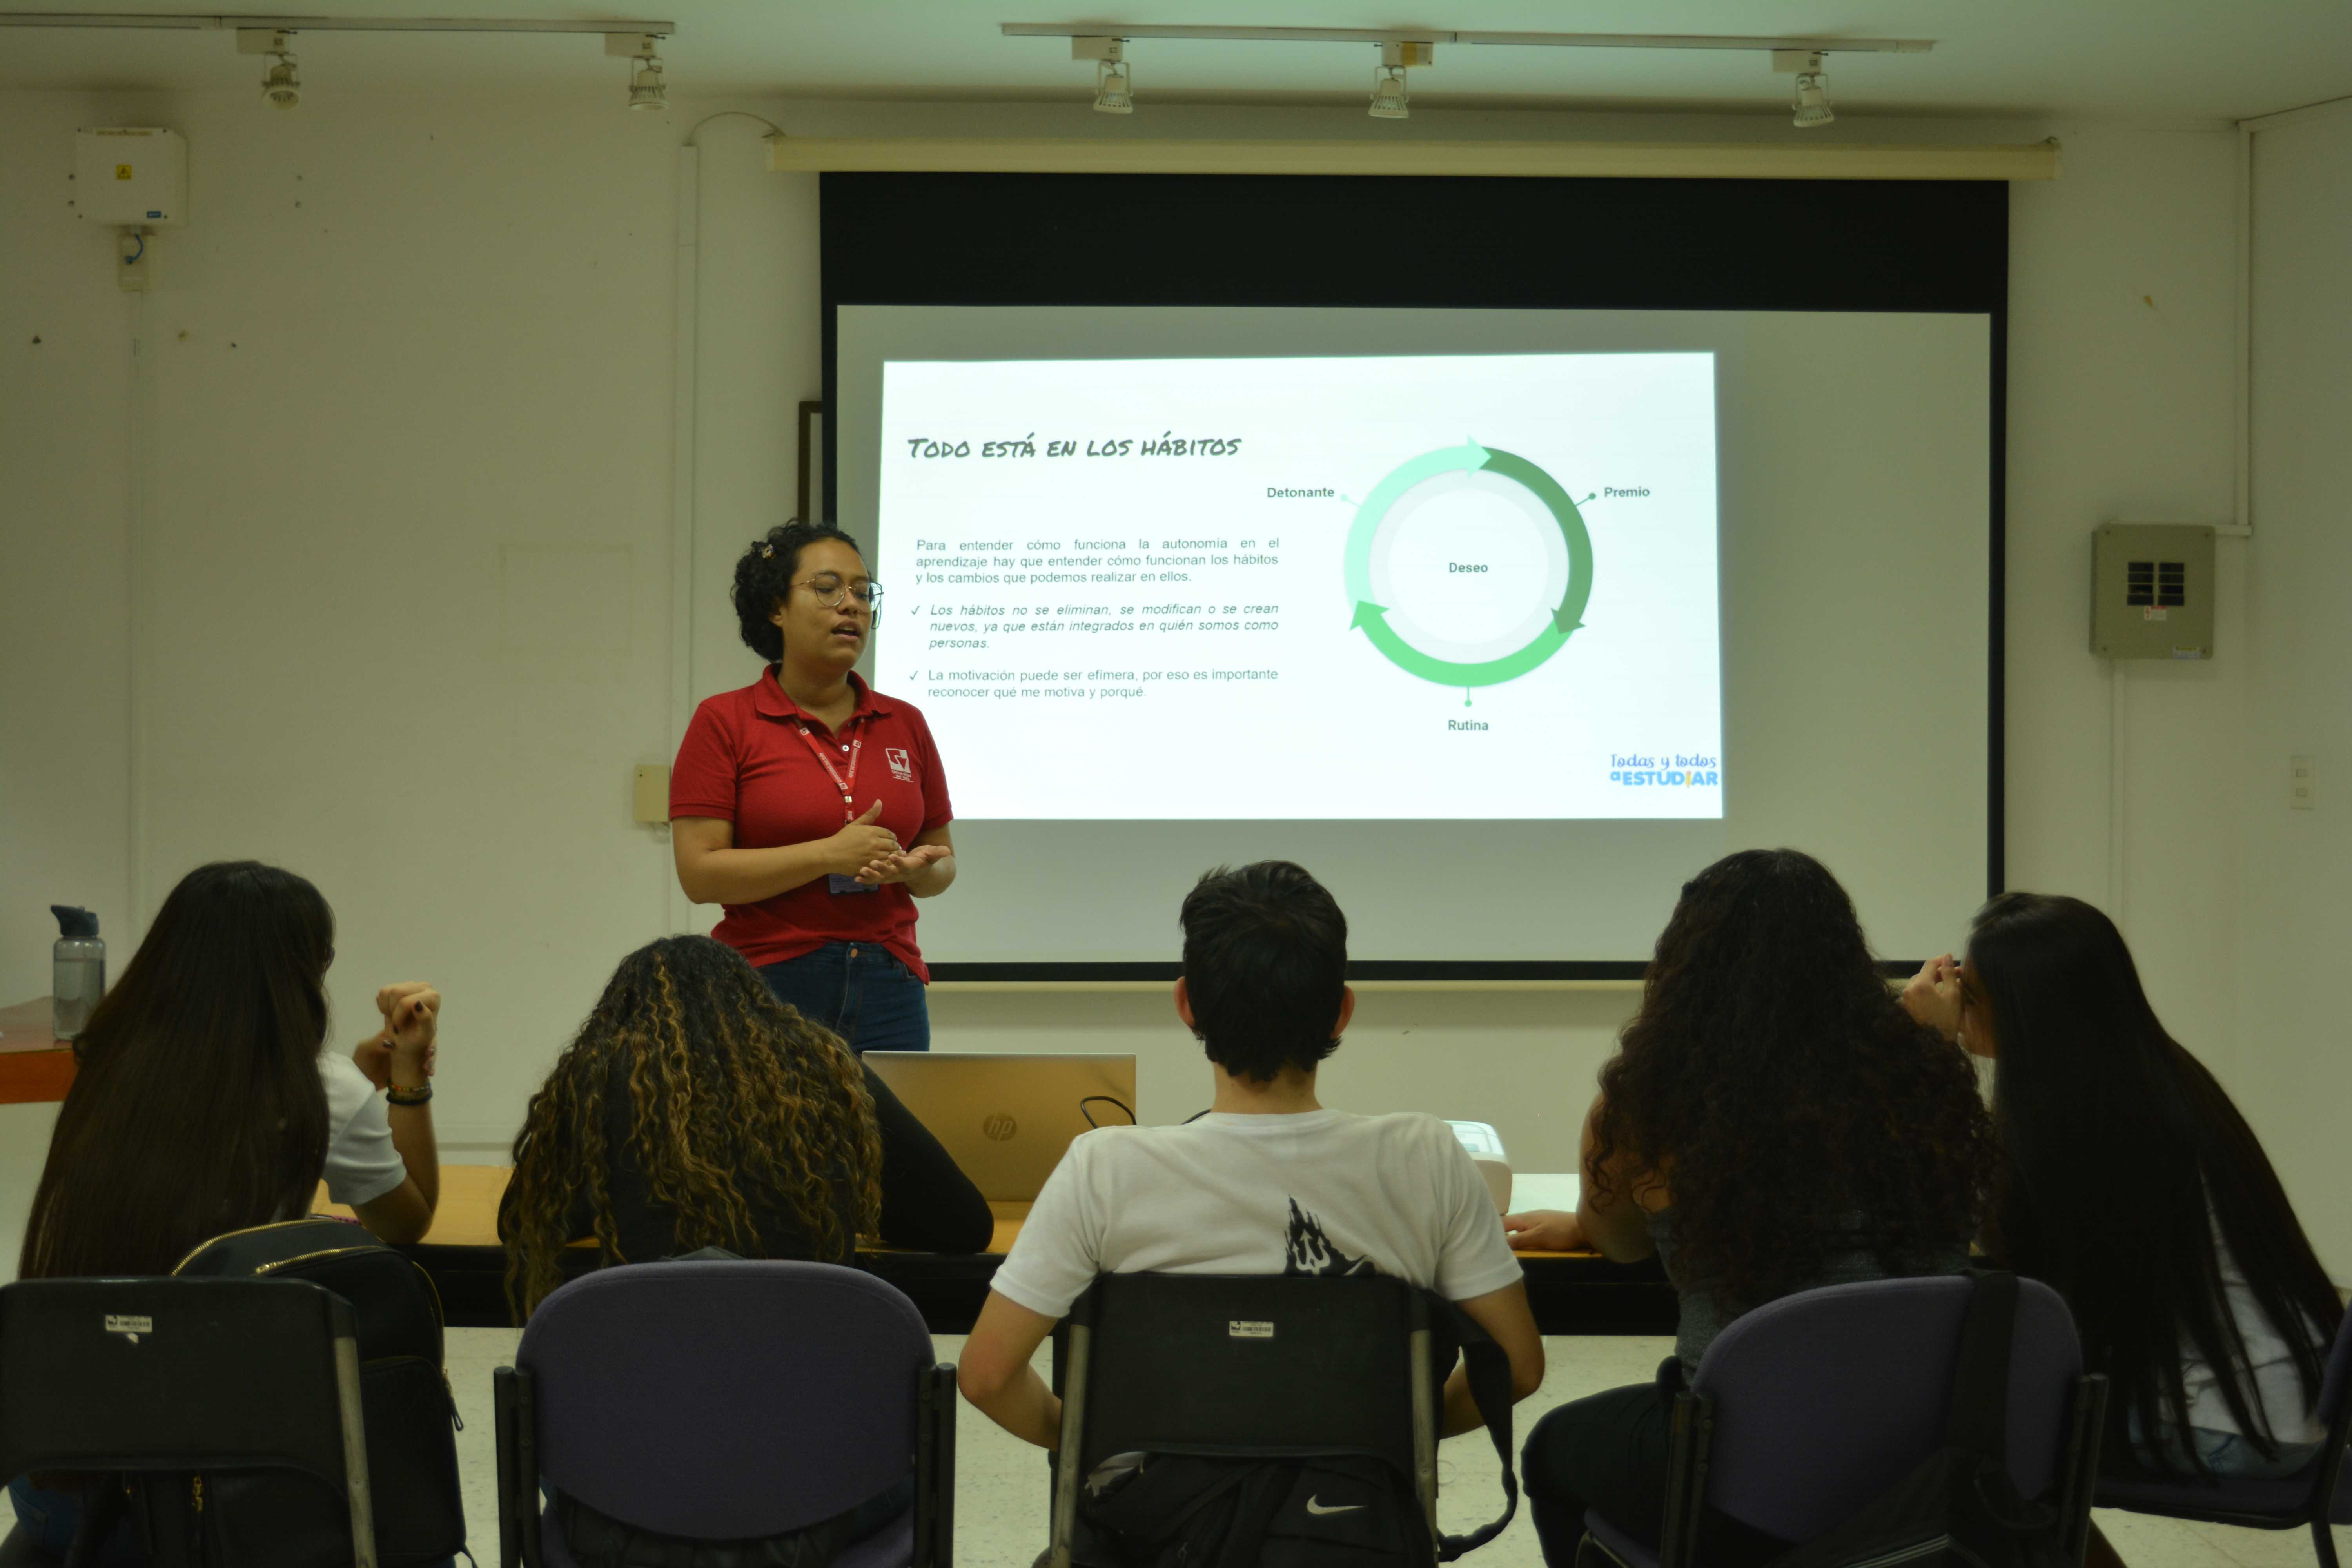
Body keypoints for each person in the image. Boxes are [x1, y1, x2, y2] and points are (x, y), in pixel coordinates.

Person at [1511, 849, 1993, 1568]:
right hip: (1917, 1476)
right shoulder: (1928, 1089)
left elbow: (1622, 1247)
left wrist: (1586, 1223)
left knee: (1555, 1446)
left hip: (1731, 1485)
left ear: (1685, 966)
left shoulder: (1645, 1106)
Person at [958, 860, 1545, 1451]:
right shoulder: (1427, 1157)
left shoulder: (1105, 1168)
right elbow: (1516, 1367)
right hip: (1361, 1506)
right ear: (1342, 1011)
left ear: (1187, 1005)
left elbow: (987, 1377)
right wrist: (1399, 1436)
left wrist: (1097, 1442)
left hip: (1150, 1508)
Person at [9, 860, 444, 1560]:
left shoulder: (105, 1061)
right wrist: (405, 1078)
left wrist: (355, 1085)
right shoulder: (318, 1085)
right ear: (300, 974)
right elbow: (406, 1220)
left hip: (57, 1493)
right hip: (198, 1510)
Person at [1902, 893, 2342, 1503]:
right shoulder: (2149, 1076)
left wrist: (1925, 1053)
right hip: (2291, 1408)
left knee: (1959, 1440)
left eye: (1971, 995)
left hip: (2232, 1426)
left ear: (2030, 1010)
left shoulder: (2086, 1120)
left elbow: (1971, 1233)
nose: (1959, 1005)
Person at [500, 933, 992, 1316]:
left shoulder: (598, 1076)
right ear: (755, 999)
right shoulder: (829, 1070)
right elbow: (965, 1225)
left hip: (651, 1369)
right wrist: (848, 1202)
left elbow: (522, 1219)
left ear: (621, 1012)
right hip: (811, 1369)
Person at [669, 521, 954, 1053]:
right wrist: (829, 855)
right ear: (776, 607)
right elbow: (700, 875)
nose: (852, 606)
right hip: (768, 982)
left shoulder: (906, 722)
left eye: (863, 593)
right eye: (828, 588)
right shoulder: (725, 720)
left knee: (895, 1116)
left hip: (890, 983)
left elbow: (942, 865)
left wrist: (918, 871)